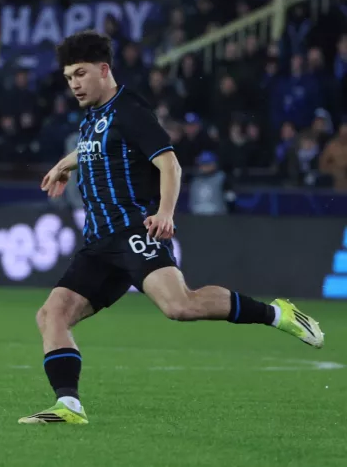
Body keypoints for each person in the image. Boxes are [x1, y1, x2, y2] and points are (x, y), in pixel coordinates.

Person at [21, 30, 325, 425]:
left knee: (180, 305)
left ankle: (276, 314)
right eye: (68, 78)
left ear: (103, 69)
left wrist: (165, 212)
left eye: (80, 74)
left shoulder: (130, 109)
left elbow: (170, 163)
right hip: (98, 242)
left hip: (133, 231)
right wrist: (65, 163)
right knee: (51, 314)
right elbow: (98, 147)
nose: (74, 84)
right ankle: (69, 407)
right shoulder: (95, 116)